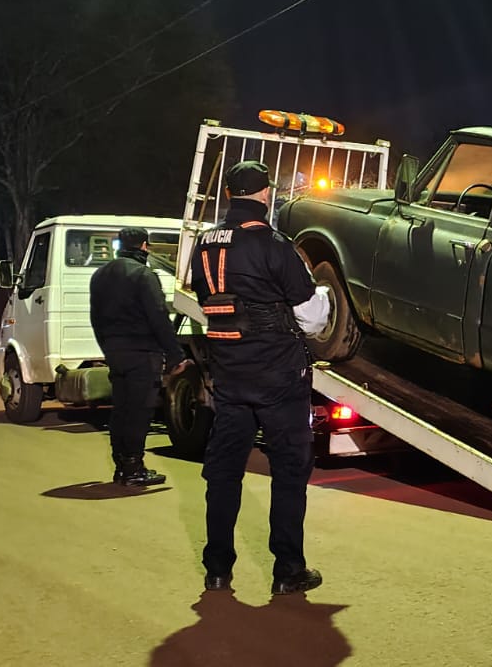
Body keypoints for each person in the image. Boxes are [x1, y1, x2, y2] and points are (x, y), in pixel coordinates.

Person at [190, 161, 324, 596]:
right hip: (278, 377)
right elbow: (311, 316)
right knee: (289, 471)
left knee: (223, 474)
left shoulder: (203, 244)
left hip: (229, 374)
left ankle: (217, 570)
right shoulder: (272, 243)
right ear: (265, 195)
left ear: (229, 194)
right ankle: (288, 570)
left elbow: (209, 298)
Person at [89, 226, 187, 487]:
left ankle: (122, 466)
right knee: (139, 412)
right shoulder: (144, 276)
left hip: (115, 352)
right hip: (143, 354)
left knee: (120, 410)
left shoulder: (99, 275)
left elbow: (95, 318)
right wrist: (175, 354)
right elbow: (158, 318)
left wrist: (107, 348)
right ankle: (134, 467)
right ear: (145, 246)